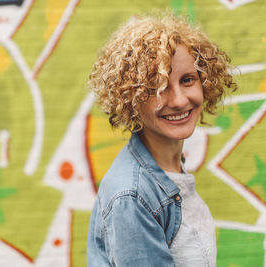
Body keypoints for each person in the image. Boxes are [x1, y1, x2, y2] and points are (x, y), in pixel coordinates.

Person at [86, 12, 237, 266]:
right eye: (159, 86)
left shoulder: (169, 169)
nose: (179, 100)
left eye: (187, 80)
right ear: (131, 98)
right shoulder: (132, 197)